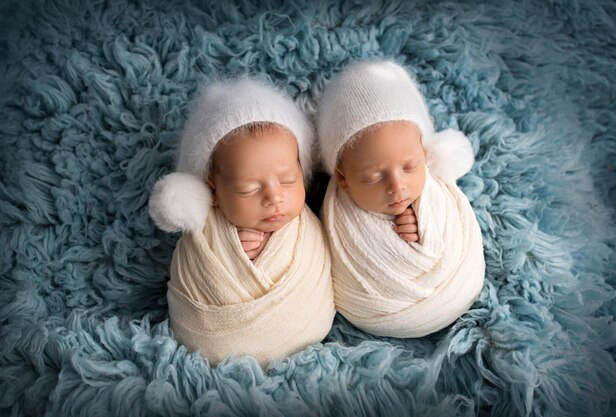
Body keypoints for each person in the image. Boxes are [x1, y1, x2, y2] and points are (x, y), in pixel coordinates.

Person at [148, 77, 335, 366]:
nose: (274, 197)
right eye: (249, 189)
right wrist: (234, 254)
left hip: (307, 327)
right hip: (213, 340)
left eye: (288, 180)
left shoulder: (308, 229)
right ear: (213, 190)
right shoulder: (204, 235)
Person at [317, 59, 485, 338]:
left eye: (410, 167)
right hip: (380, 311)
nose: (397, 186)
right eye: (373, 177)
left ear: (426, 153)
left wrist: (425, 225)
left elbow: (444, 218)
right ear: (343, 178)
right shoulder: (336, 217)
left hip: (457, 282)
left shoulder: (435, 191)